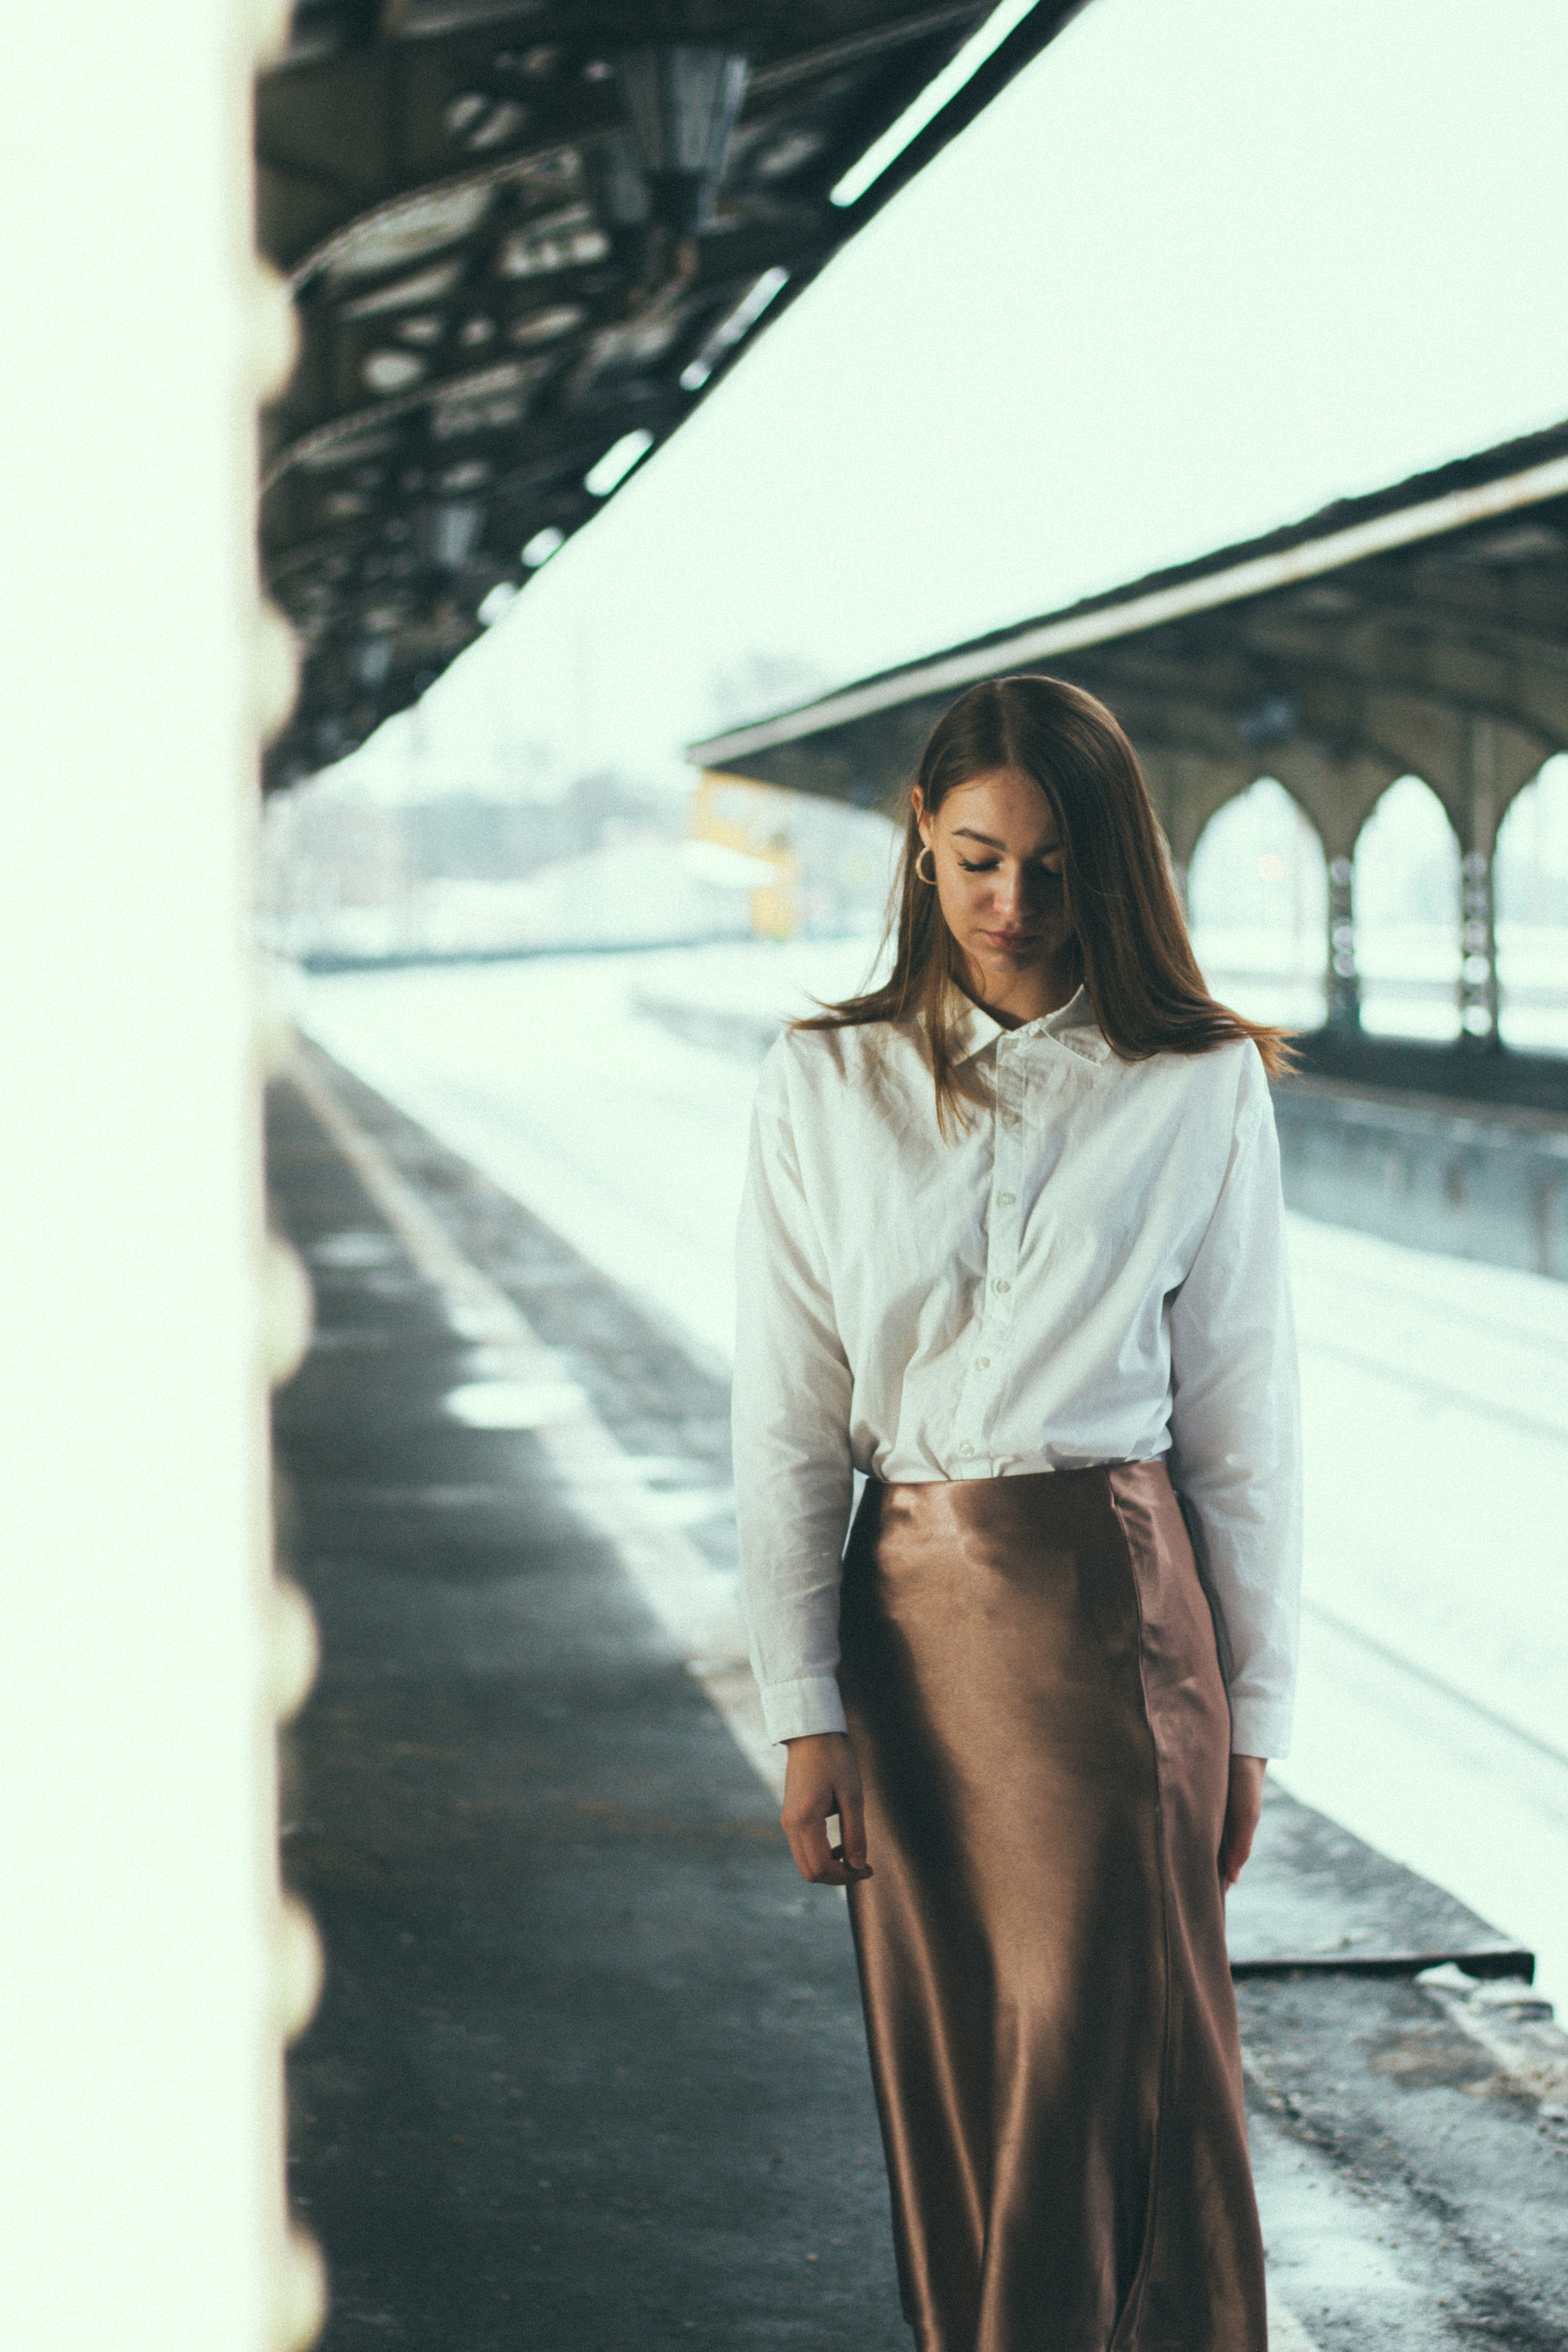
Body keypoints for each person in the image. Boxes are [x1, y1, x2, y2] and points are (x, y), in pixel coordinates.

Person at [732, 674, 1301, 2352]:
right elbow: (786, 1421)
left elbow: (1243, 1432)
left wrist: (1253, 1719)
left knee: (1097, 2077)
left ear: (1113, 864)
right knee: (956, 2082)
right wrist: (804, 1709)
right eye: (980, 859)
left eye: (1055, 867)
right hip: (905, 1642)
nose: (1013, 903)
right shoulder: (821, 1082)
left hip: (1117, 1633)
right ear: (921, 837)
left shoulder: (1199, 1081)